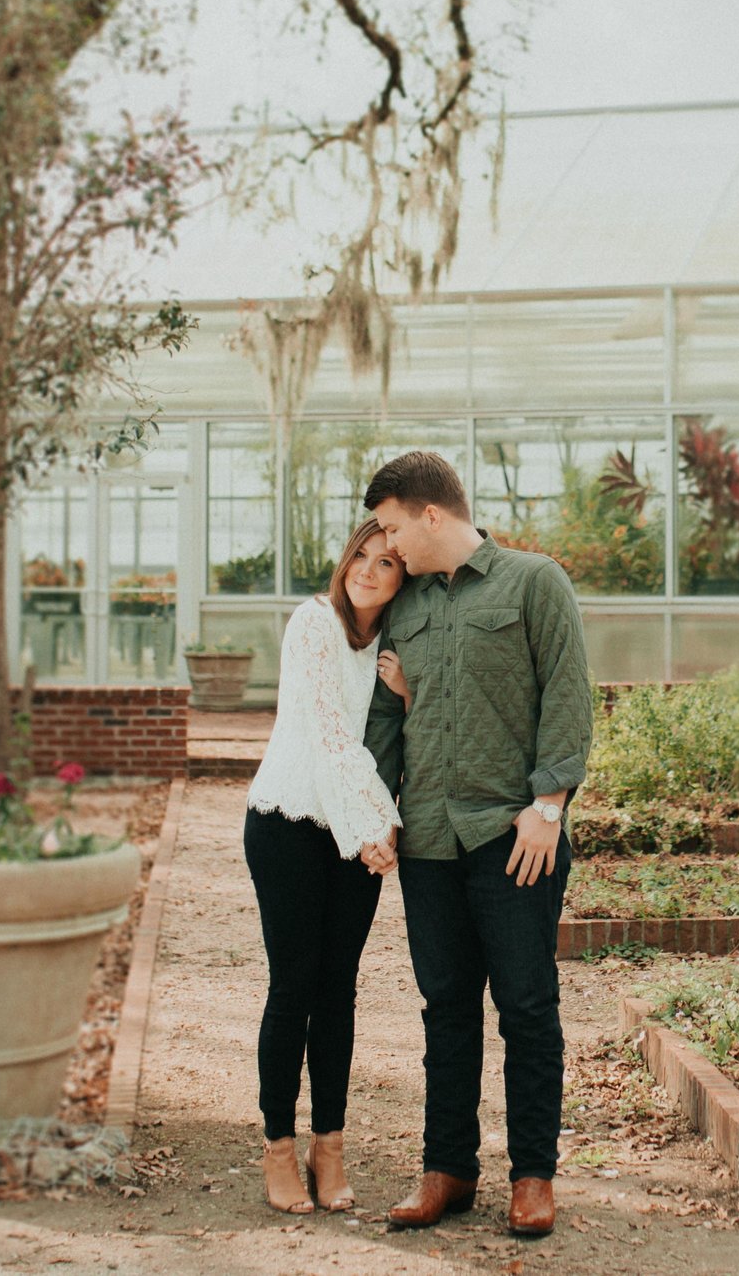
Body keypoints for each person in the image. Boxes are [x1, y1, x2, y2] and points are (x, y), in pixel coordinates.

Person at [360, 450, 593, 1240]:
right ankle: (448, 1167)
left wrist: (549, 805)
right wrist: (378, 809)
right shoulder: (408, 604)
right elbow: (388, 720)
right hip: (428, 837)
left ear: (432, 514)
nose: (386, 544)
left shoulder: (534, 582)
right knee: (446, 1008)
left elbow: (567, 692)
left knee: (528, 1007)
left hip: (512, 835)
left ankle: (533, 1175)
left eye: (392, 526)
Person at [243, 518, 406, 1215]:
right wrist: (377, 826)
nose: (368, 570)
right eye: (361, 555)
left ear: (404, 579)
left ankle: (329, 1145)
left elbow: (396, 736)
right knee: (294, 987)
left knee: (338, 990)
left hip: (357, 830)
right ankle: (278, 1146)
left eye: (387, 562)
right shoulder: (312, 623)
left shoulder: (394, 647)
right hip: (288, 822)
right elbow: (330, 734)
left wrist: (409, 693)